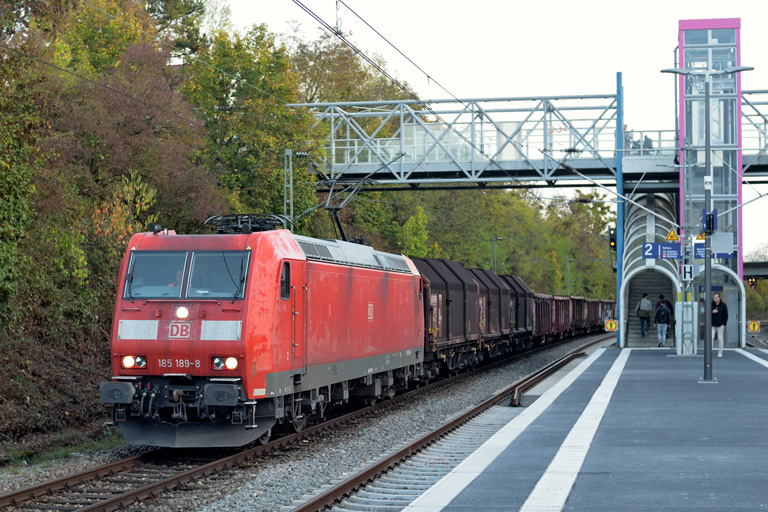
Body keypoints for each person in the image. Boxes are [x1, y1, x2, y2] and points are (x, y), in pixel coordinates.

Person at [711, 292, 729, 358]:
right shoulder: (711, 304)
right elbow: (707, 312)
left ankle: (720, 352)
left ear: (719, 298)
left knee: (720, 338)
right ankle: (710, 351)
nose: (715, 299)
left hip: (720, 324)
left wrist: (724, 323)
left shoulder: (723, 305)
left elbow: (726, 314)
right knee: (711, 337)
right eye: (714, 297)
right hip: (712, 324)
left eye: (716, 297)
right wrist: (712, 312)